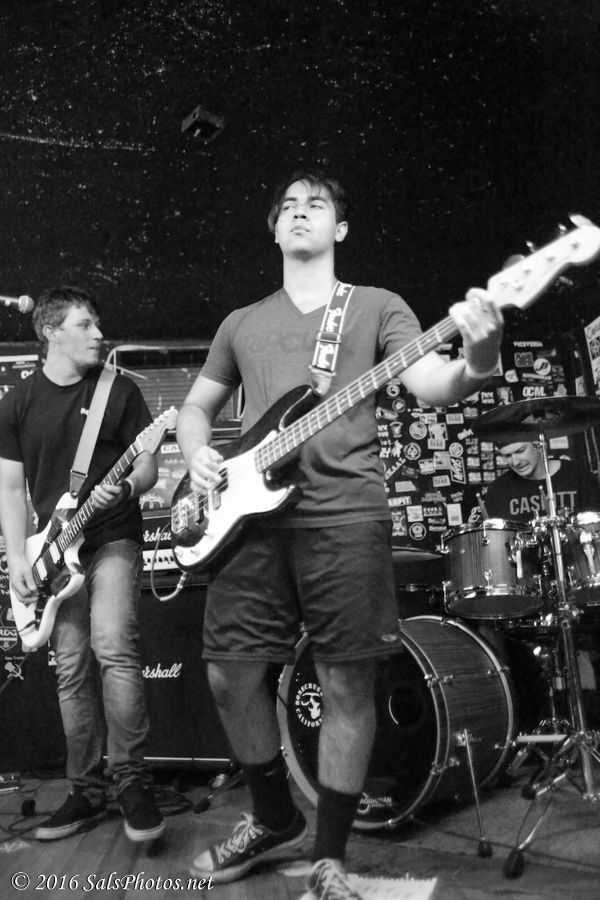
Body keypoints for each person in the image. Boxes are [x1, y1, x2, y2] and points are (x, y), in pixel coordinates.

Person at [175, 169, 503, 900]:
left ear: (339, 229)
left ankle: (329, 856)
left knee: (346, 681)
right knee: (229, 674)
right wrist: (197, 450)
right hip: (248, 521)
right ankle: (273, 816)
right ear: (274, 229)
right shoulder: (240, 323)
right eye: (287, 207)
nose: (300, 213)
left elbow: (431, 384)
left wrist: (481, 357)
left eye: (315, 205)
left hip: (346, 514)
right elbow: (196, 408)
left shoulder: (377, 306)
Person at [0, 286, 165, 843]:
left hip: (113, 537)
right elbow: (10, 487)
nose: (99, 333)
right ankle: (86, 790)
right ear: (51, 332)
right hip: (52, 554)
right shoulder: (17, 403)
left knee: (113, 646)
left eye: (98, 324)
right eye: (85, 325)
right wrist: (15, 555)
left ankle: (132, 782)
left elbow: (146, 464)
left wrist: (129, 488)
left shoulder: (120, 390)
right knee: (70, 666)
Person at [477, 439, 600, 522]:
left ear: (539, 445)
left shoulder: (577, 474)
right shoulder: (498, 490)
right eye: (507, 456)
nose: (515, 462)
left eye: (520, 451)